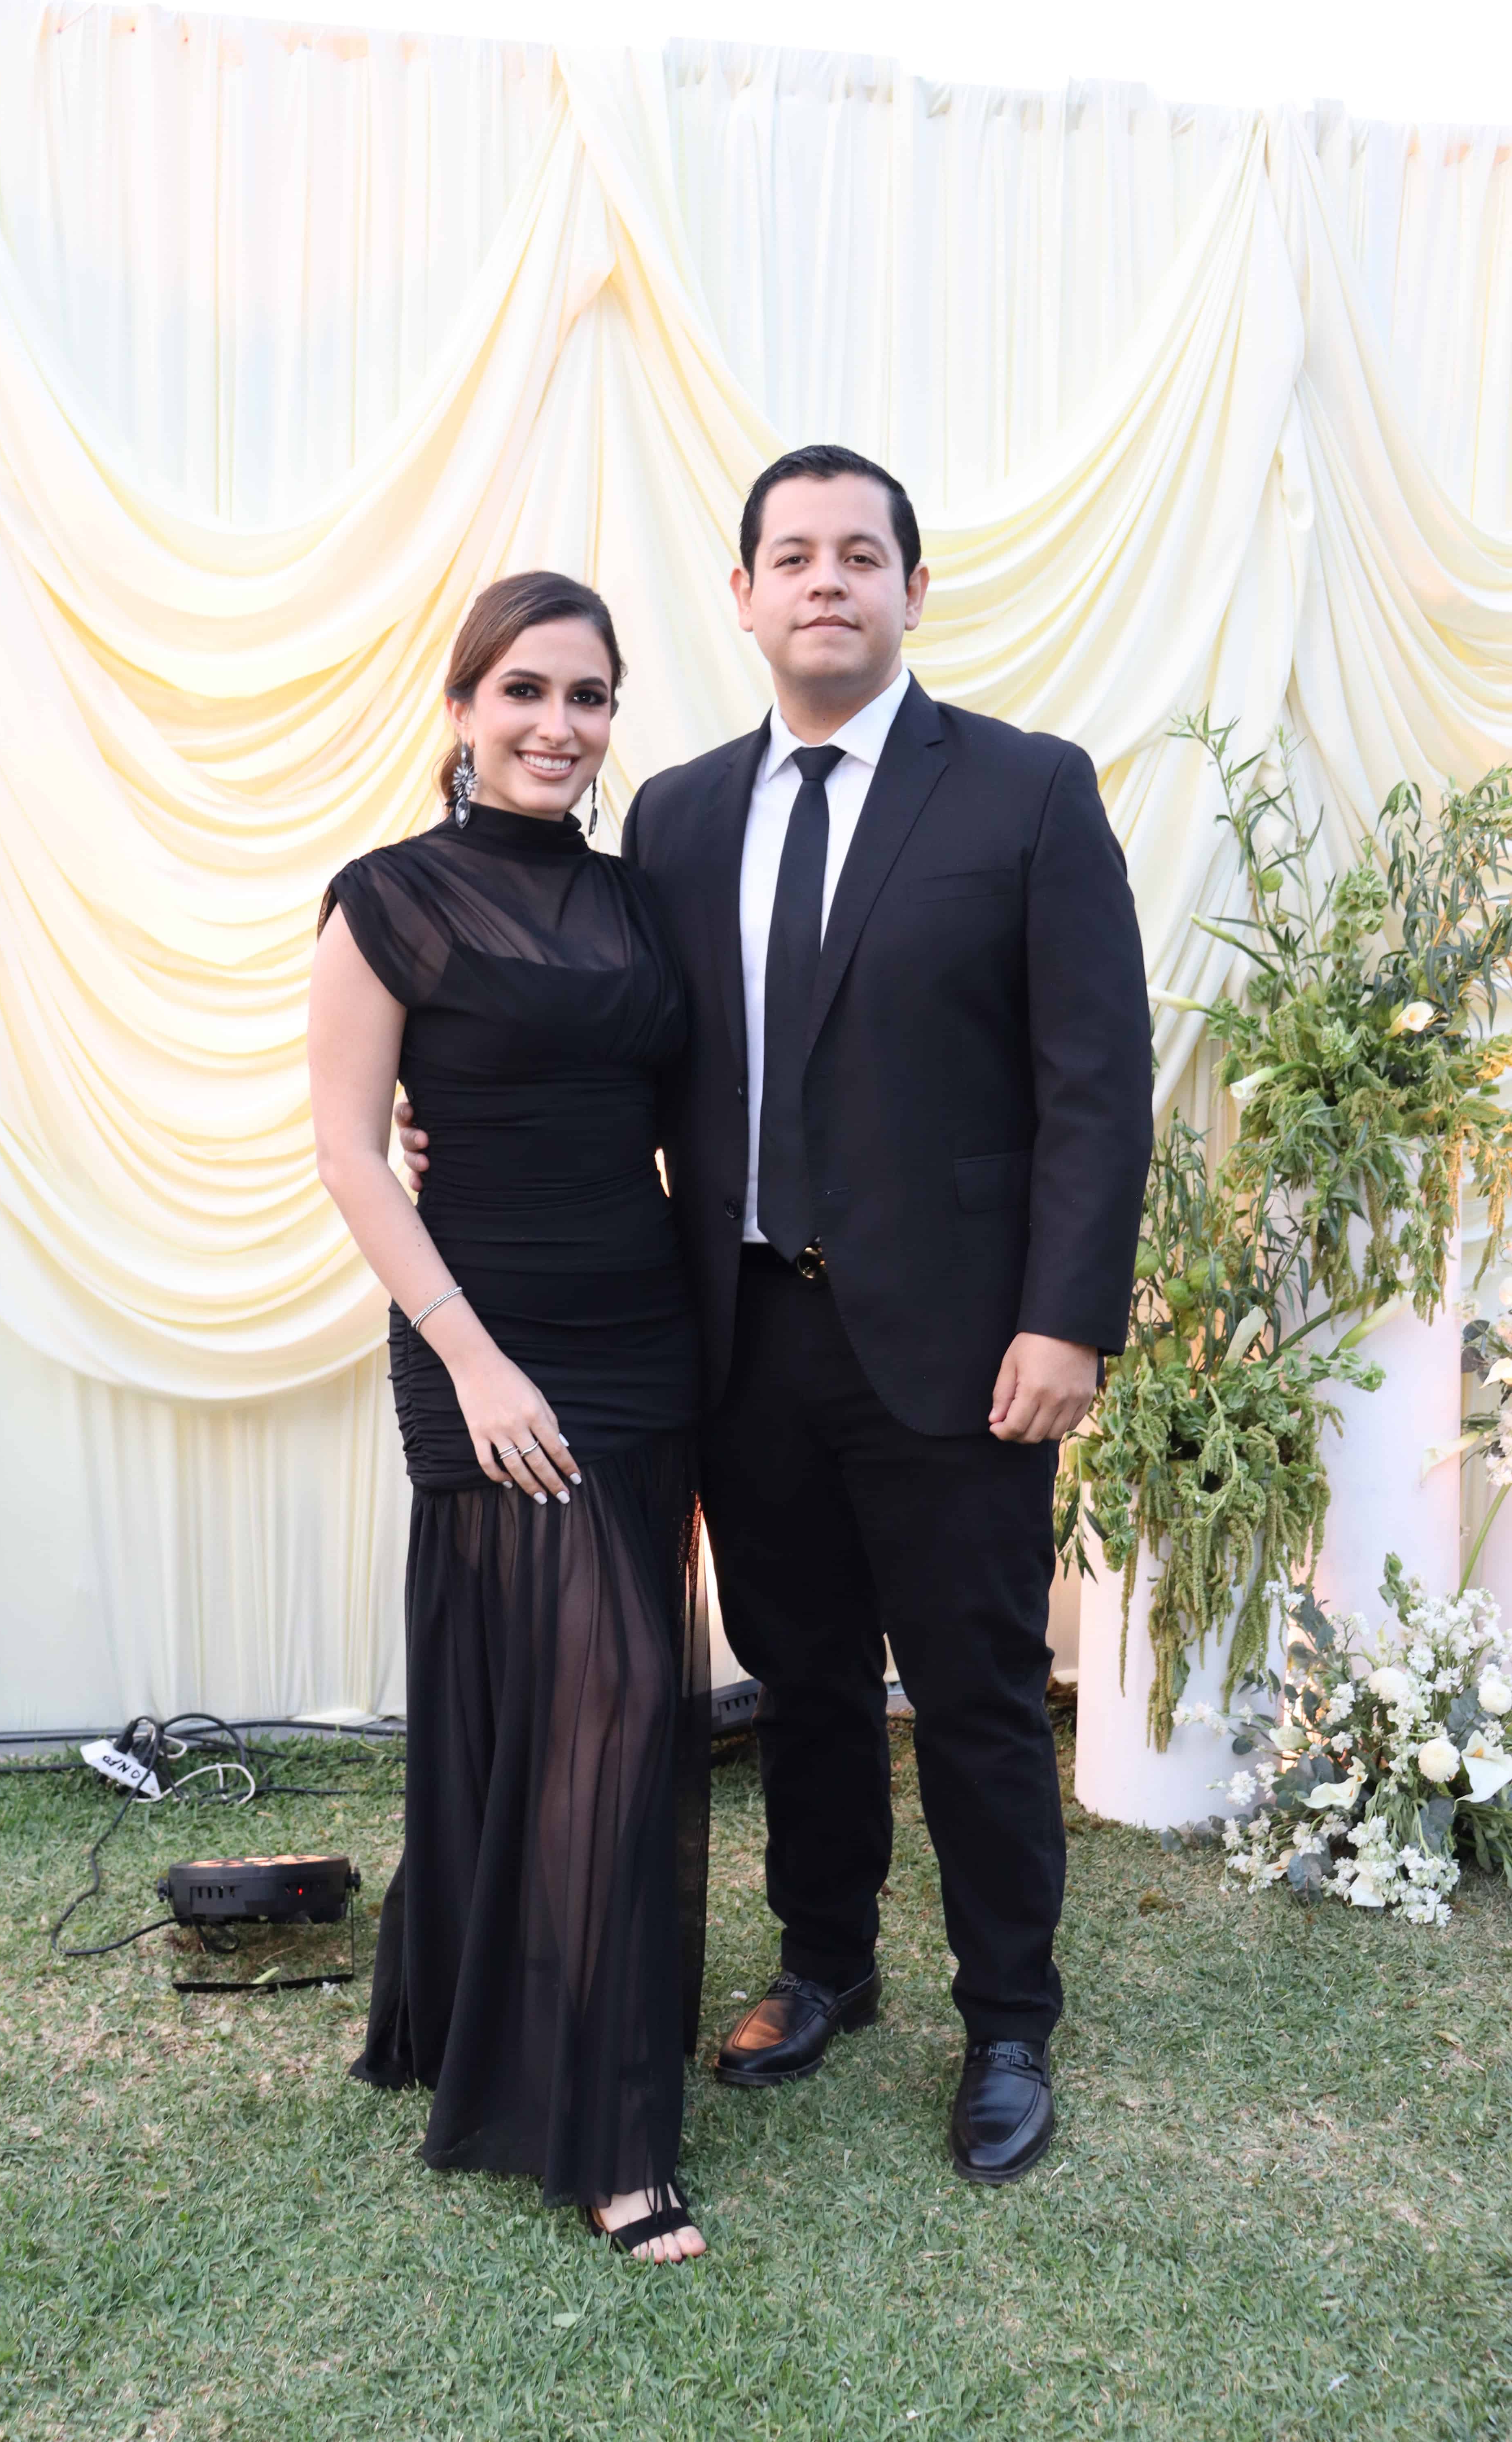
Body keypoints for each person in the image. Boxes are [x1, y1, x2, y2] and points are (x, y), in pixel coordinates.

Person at [399, 446, 1153, 2187]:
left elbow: (1096, 1080)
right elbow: (601, 1031)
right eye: (792, 556)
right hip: (736, 1338)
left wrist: (1067, 1319)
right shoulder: (674, 816)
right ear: (740, 596)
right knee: (800, 1674)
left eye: (861, 555)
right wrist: (444, 1117)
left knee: (972, 1688)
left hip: (964, 1348)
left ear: (912, 591)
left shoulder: (1027, 792)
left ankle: (1008, 2022)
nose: (827, 580)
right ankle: (826, 1965)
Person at [309, 571, 709, 2263]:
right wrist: (473, 1360)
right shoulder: (387, 898)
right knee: (606, 1694)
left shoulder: (639, 903)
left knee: (591, 1698)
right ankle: (605, 2125)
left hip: (644, 1339)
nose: (558, 724)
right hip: (486, 1345)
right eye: (525, 690)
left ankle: (454, 2008)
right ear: (463, 707)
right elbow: (351, 1152)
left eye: (588, 695)